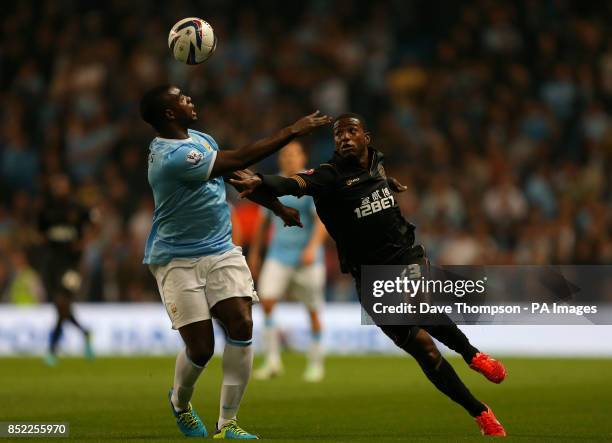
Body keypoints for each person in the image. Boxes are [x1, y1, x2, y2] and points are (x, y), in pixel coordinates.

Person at [229, 113, 508, 437]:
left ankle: (473, 356)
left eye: (351, 131)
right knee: (426, 351)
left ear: (366, 137)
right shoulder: (329, 176)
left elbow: (374, 182)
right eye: (338, 134)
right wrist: (261, 181)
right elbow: (293, 183)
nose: (344, 138)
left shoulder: (377, 163)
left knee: (418, 305)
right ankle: (480, 412)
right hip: (369, 277)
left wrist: (388, 184)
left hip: (405, 257)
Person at [139, 84, 330, 439]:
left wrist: (276, 208)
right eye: (181, 99)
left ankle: (227, 424)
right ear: (168, 114)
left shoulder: (197, 137)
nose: (189, 100)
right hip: (176, 259)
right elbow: (240, 159)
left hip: (221, 250)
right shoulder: (171, 157)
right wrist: (291, 131)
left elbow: (233, 176)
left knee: (241, 324)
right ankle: (180, 402)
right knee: (201, 348)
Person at [248, 141, 327, 382]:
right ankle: (272, 361)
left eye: (294, 154)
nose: (289, 158)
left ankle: (315, 364)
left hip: (306, 259)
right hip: (278, 255)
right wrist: (254, 254)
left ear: (303, 158)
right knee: (268, 303)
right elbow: (263, 224)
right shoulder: (274, 184)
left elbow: (322, 222)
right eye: (286, 154)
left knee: (313, 311)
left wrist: (312, 248)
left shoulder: (311, 183)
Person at [38, 173, 94, 366]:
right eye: (56, 185)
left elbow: (95, 224)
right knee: (61, 306)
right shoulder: (46, 209)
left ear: (68, 186)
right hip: (52, 265)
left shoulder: (77, 208)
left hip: (72, 265)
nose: (59, 188)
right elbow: (39, 233)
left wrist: (84, 243)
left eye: (62, 184)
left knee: (62, 302)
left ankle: (52, 349)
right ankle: (85, 333)